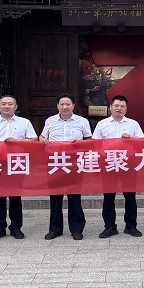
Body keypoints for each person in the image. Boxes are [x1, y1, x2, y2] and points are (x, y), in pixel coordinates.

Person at [0, 94, 37, 240]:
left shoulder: (24, 122)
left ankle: (16, 228)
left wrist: (17, 141)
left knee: (15, 197)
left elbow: (34, 140)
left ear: (15, 107)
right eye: (4, 104)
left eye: (10, 104)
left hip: (17, 163)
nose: (7, 106)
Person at [39, 93, 92, 240]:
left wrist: (80, 143)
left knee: (74, 196)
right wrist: (42, 139)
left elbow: (89, 140)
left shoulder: (82, 121)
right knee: (55, 197)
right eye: (62, 104)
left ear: (73, 106)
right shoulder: (50, 121)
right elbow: (42, 136)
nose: (65, 107)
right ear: (57, 106)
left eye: (68, 104)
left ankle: (76, 229)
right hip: (55, 162)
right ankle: (55, 229)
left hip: (74, 163)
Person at [92, 95, 144, 238]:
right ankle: (110, 227)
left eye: (122, 106)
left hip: (128, 163)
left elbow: (142, 142)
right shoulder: (102, 124)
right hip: (109, 163)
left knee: (130, 196)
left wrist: (132, 138)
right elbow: (95, 144)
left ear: (126, 109)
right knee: (108, 197)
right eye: (116, 106)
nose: (119, 109)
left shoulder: (133, 124)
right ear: (110, 107)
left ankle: (131, 226)